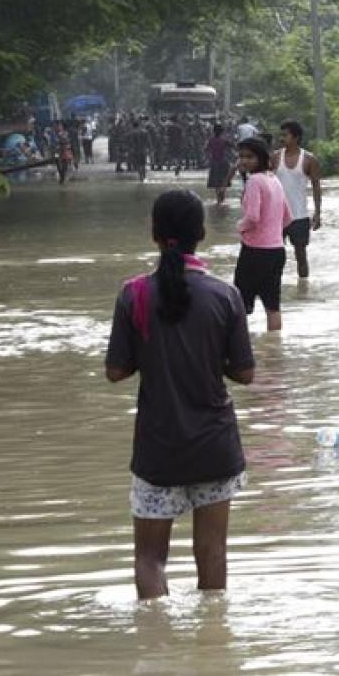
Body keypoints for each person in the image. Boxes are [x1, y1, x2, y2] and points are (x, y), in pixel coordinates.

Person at [105, 190, 255, 597]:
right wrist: (207, 360)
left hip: (159, 448)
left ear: (154, 233)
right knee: (212, 554)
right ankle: (212, 648)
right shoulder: (226, 295)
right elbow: (245, 372)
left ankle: (155, 648)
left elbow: (116, 371)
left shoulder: (133, 294)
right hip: (215, 446)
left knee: (150, 558)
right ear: (201, 234)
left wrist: (153, 354)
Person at [233, 137, 292, 332]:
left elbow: (252, 217)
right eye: (241, 157)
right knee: (273, 306)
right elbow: (287, 217)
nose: (244, 161)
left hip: (254, 252)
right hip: (276, 251)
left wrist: (239, 227)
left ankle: (239, 350)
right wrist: (273, 233)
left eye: (249, 157)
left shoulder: (254, 181)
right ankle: (274, 351)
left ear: (261, 158)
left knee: (240, 306)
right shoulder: (274, 179)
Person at [273, 120, 323, 279]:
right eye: (281, 135)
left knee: (301, 256)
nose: (282, 138)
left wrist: (317, 213)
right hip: (276, 216)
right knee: (274, 256)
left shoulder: (309, 159)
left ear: (296, 137)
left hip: (299, 216)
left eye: (285, 135)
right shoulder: (274, 157)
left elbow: (316, 186)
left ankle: (303, 289)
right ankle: (275, 287)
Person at [205, 124, 234, 206]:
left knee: (216, 182)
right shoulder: (224, 140)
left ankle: (218, 200)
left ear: (213, 131)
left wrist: (208, 158)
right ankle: (222, 199)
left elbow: (206, 150)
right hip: (224, 162)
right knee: (223, 182)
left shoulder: (211, 140)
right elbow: (233, 146)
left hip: (214, 163)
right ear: (222, 132)